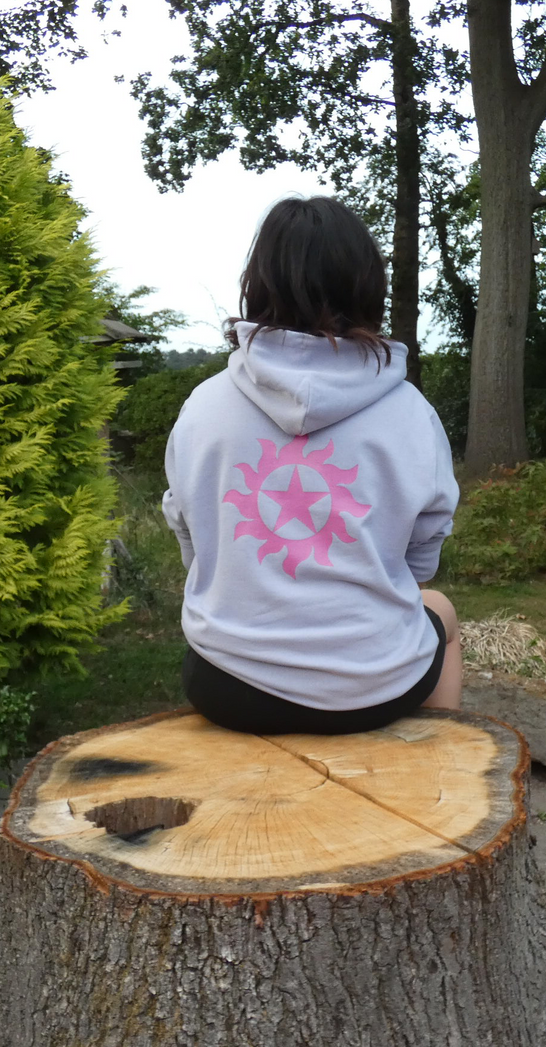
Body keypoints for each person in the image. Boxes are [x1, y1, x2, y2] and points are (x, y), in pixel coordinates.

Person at [162, 195, 461, 735]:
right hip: (375, 688)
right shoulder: (412, 413)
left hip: (227, 685)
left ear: (258, 284)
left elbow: (191, 538)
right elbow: (423, 558)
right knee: (440, 609)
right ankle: (438, 762)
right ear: (367, 285)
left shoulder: (202, 406)